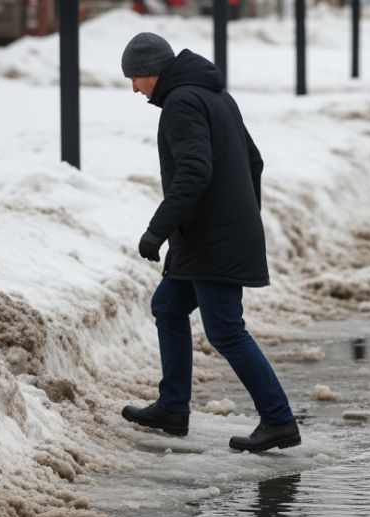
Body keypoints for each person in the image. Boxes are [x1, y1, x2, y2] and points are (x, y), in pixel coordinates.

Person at [118, 32, 301, 454]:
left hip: (211, 237)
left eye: (135, 78)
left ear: (152, 71)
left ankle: (278, 419)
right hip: (213, 234)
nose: (134, 88)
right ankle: (172, 407)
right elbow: (254, 161)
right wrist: (241, 215)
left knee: (225, 330)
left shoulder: (181, 103)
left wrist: (157, 229)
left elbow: (194, 172)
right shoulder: (217, 97)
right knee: (168, 306)